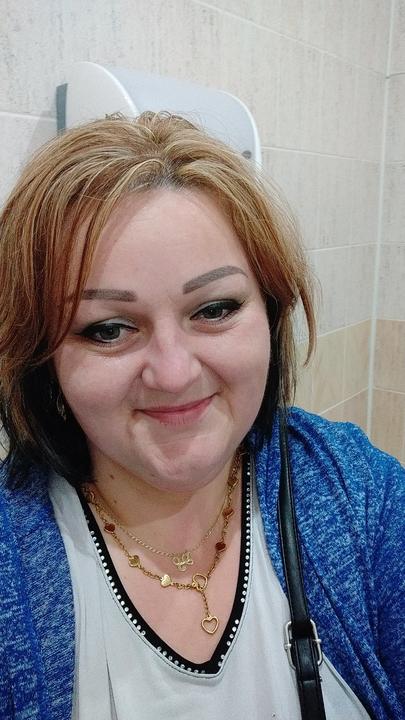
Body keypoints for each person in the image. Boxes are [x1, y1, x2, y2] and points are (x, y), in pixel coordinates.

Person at [0, 112, 403, 720]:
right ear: (43, 357)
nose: (173, 374)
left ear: (270, 313)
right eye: (108, 329)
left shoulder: (361, 497)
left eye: (214, 309)